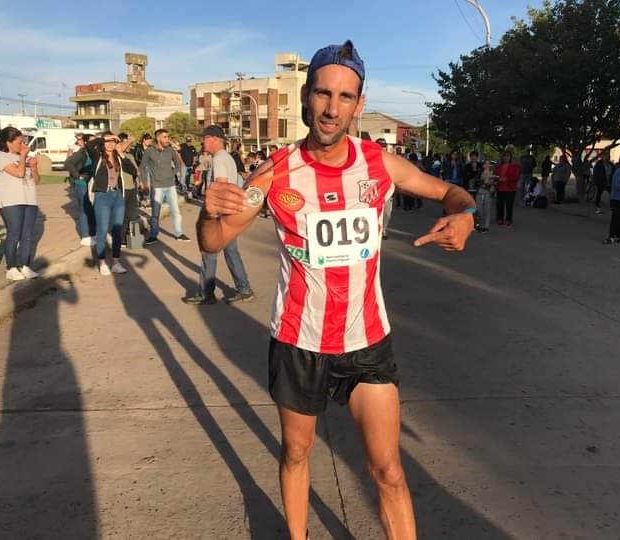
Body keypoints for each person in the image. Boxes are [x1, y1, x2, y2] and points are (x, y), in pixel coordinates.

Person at [196, 40, 475, 540]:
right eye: (323, 93)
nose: (332, 108)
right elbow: (213, 241)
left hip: (366, 341)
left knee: (389, 470)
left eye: (345, 97)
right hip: (299, 340)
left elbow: (450, 192)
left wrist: (465, 213)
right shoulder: (276, 171)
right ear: (307, 96)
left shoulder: (380, 163)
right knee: (297, 452)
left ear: (359, 104)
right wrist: (208, 210)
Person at [186, 125, 254, 305]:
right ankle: (244, 290)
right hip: (228, 213)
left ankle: (206, 293)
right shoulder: (227, 158)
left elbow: (221, 185)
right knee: (231, 252)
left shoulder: (219, 159)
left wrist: (212, 215)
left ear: (214, 139)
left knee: (209, 251)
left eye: (205, 138)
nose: (202, 141)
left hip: (219, 213)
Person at [85, 132, 137, 274]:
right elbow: (89, 145)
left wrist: (121, 154)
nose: (110, 144)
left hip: (117, 195)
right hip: (102, 196)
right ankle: (102, 263)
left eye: (113, 141)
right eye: (108, 141)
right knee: (102, 230)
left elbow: (133, 171)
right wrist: (105, 137)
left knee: (117, 230)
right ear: (103, 142)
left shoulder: (118, 157)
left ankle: (116, 262)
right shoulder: (98, 156)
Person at [0, 126, 40, 281]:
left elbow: (36, 181)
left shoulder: (23, 157)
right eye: (19, 142)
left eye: (23, 142)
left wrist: (34, 167)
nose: (23, 145)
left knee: (27, 235)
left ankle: (25, 265)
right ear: (8, 142)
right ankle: (11, 267)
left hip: (30, 199)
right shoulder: (1, 157)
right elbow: (19, 173)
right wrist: (23, 157)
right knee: (14, 234)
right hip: (10, 201)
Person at [140, 129, 190, 244]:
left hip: (170, 186)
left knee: (175, 211)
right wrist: (144, 183)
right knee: (155, 213)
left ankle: (179, 234)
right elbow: (142, 168)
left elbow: (178, 165)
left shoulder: (170, 150)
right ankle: (153, 235)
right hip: (157, 186)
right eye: (165, 137)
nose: (167, 139)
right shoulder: (149, 151)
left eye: (168, 137)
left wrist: (170, 174)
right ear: (158, 138)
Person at [64, 133, 97, 246]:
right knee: (84, 209)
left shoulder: (95, 153)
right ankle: (85, 236)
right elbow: (68, 163)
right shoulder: (82, 152)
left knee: (92, 209)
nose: (95, 144)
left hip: (92, 184)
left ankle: (93, 233)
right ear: (86, 143)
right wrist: (77, 176)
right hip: (82, 184)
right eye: (92, 141)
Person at [494, 150, 520, 226]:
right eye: (504, 156)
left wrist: (506, 179)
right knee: (500, 205)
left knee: (509, 205)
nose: (506, 158)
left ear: (510, 157)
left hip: (510, 188)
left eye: (508, 156)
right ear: (502, 157)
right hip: (500, 188)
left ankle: (509, 219)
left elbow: (516, 177)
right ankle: (500, 219)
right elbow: (495, 176)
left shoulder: (515, 167)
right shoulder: (498, 167)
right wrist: (498, 179)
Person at [376, 138, 394, 238]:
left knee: (387, 212)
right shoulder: (369, 158)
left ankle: (383, 230)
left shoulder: (390, 159)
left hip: (387, 190)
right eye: (380, 146)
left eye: (383, 146)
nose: (382, 148)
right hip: (374, 191)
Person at [475, 159, 497, 231]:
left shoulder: (493, 173)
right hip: (479, 192)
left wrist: (492, 185)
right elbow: (477, 181)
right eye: (485, 163)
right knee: (479, 209)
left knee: (487, 209)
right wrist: (482, 179)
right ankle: (479, 224)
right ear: (483, 165)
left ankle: (486, 226)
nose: (487, 165)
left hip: (488, 192)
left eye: (489, 163)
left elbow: (495, 183)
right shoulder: (480, 172)